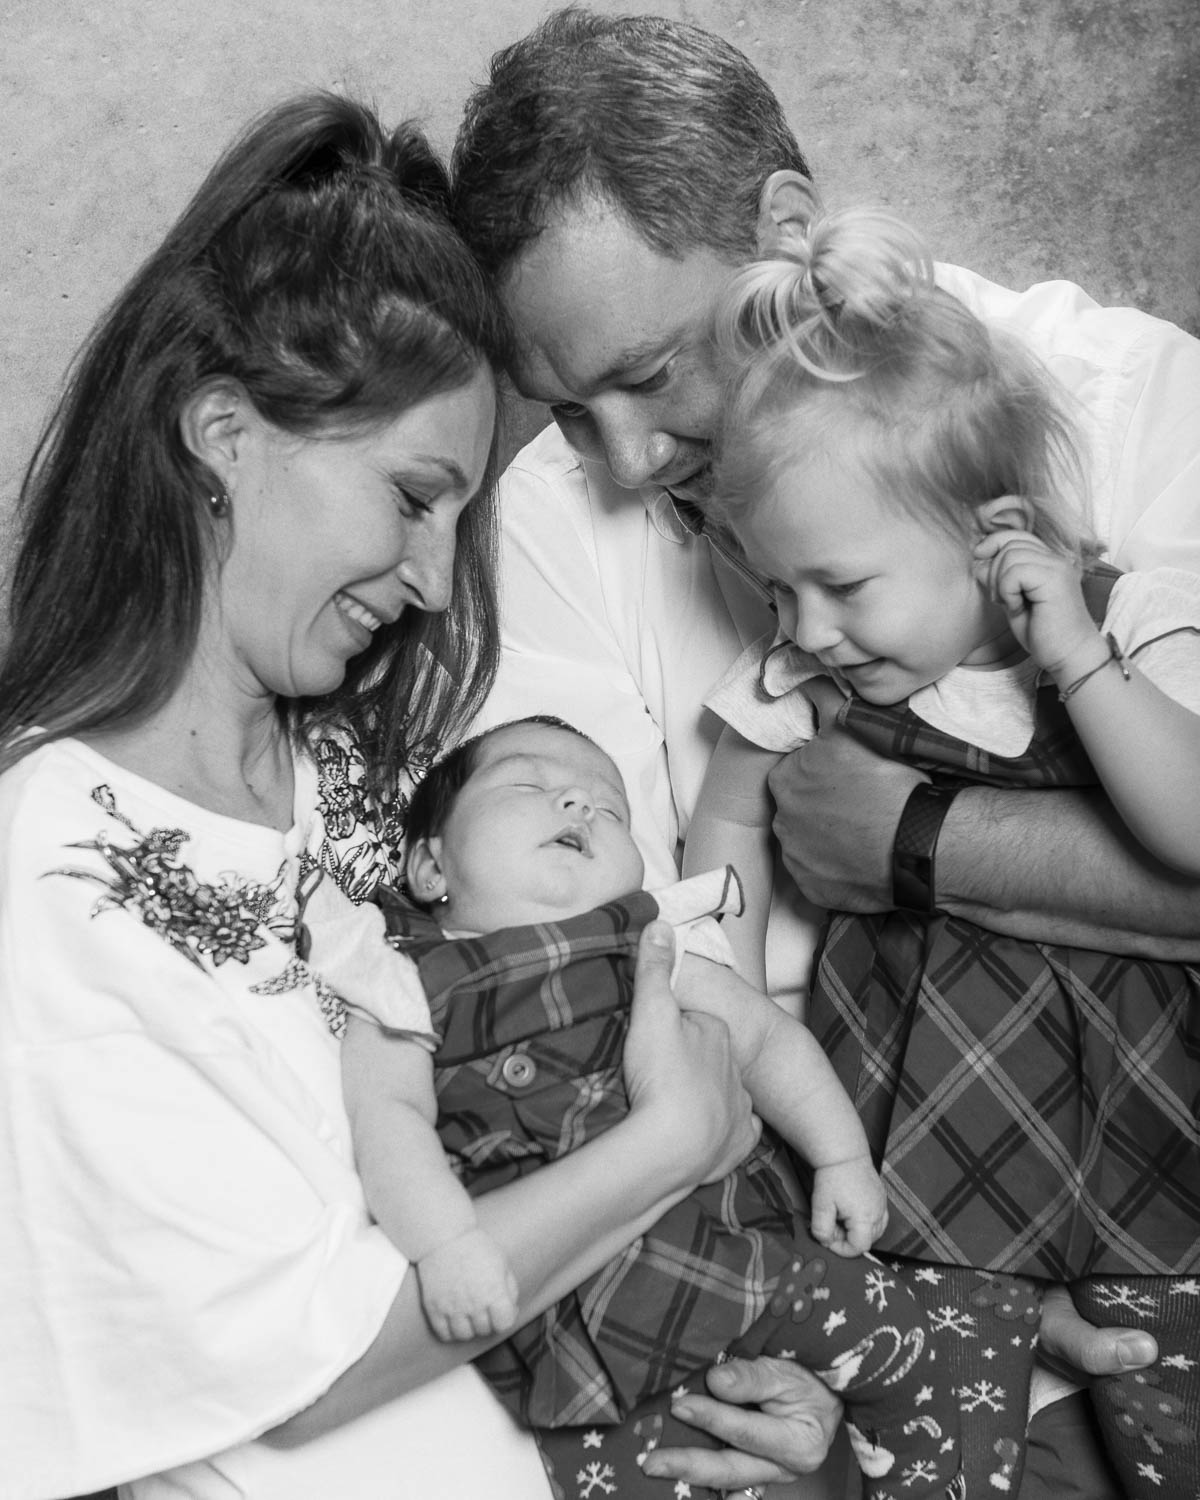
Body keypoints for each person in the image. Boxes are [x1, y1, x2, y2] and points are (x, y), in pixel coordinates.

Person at [448, 8, 1200, 1493]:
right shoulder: (550, 520)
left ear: (786, 232)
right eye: (571, 409)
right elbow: (610, 962)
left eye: (653, 373)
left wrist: (915, 841)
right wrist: (795, 1302)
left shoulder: (1130, 404)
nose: (624, 460)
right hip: (848, 1252)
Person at [0, 93, 766, 1500]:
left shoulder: (355, 774)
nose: (430, 578)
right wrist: (674, 1143)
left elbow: (514, 1143)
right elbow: (298, 1370)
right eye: (413, 497)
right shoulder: (52, 873)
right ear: (223, 432)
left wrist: (730, 1368)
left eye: (459, 518)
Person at [683, 192, 1200, 1496]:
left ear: (989, 532)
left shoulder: (1127, 625)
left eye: (841, 585)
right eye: (777, 587)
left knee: (1174, 1412)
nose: (805, 627)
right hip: (933, 1130)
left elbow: (1193, 833)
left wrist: (1077, 659)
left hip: (1154, 1132)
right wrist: (729, 1004)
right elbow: (728, 825)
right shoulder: (805, 677)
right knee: (928, 1440)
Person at [341, 713, 963, 1500]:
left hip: (751, 1255)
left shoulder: (648, 945)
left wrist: (840, 1156)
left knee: (913, 1347)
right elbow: (387, 1117)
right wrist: (446, 1244)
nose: (579, 804)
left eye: (609, 808)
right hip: (571, 1320)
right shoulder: (401, 981)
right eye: (529, 784)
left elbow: (767, 1039)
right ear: (432, 867)